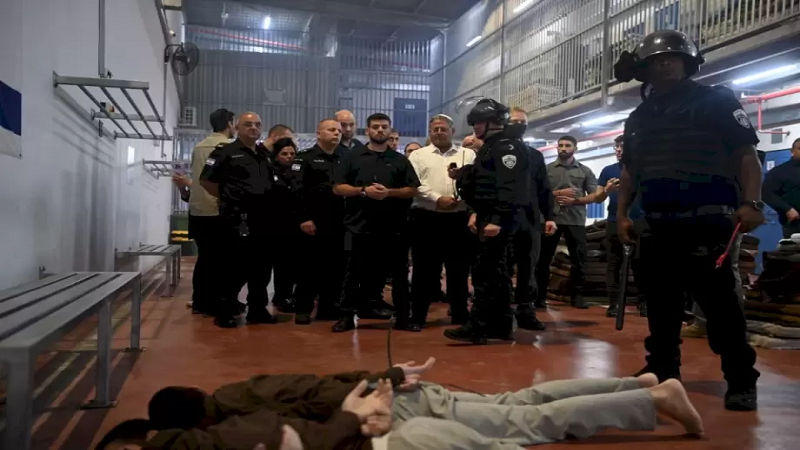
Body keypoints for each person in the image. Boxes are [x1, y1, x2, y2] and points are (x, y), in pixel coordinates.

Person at [613, 29, 764, 411]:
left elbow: (746, 155)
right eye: (656, 60)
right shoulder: (639, 117)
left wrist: (751, 202)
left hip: (707, 222)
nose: (665, 64)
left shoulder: (715, 101)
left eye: (673, 57)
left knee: (721, 310)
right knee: (661, 309)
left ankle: (740, 379)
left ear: (687, 63)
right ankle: (664, 373)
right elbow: (630, 171)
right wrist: (621, 214)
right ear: (645, 70)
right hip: (657, 225)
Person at [97, 358, 705, 450]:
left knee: (527, 421)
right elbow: (314, 384)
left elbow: (311, 400)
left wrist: (372, 397)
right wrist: (382, 378)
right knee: (517, 402)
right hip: (396, 398)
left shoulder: (238, 407)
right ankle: (638, 387)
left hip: (398, 411)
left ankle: (651, 399)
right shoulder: (239, 398)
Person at [444, 98, 531, 344]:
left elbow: (508, 187)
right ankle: (501, 324)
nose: (475, 127)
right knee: (496, 273)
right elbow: (486, 180)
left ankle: (479, 326)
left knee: (485, 274)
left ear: (493, 123)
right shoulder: (492, 147)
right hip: (488, 217)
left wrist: (496, 220)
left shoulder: (506, 147)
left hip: (498, 221)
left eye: (479, 123)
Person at [333, 113, 420, 333]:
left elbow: (412, 189)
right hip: (360, 226)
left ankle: (403, 318)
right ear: (368, 130)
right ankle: (346, 316)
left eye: (384, 126)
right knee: (353, 274)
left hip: (394, 228)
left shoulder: (400, 160)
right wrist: (364, 191)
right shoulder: (352, 157)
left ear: (390, 130)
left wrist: (389, 193)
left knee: (399, 275)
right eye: (375, 127)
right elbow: (338, 187)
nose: (380, 130)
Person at [199, 112, 278, 328]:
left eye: (257, 125)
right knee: (234, 268)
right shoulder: (225, 152)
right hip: (236, 219)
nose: (253, 128)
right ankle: (225, 311)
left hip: (264, 219)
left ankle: (257, 310)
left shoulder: (264, 154)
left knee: (261, 268)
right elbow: (206, 181)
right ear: (237, 127)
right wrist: (228, 197)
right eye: (248, 124)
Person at [408, 115, 475, 327]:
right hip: (427, 219)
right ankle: (418, 315)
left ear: (452, 131)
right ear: (430, 132)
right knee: (424, 270)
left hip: (459, 219)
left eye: (443, 128)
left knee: (459, 269)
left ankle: (460, 314)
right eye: (435, 129)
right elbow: (414, 183)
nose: (439, 132)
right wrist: (438, 199)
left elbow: (475, 181)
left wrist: (460, 199)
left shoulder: (468, 154)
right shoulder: (418, 155)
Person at [292, 119, 347, 324]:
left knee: (336, 267)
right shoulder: (305, 158)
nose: (337, 133)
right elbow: (296, 189)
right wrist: (303, 218)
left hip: (340, 220)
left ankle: (329, 307)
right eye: (331, 130)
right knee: (309, 267)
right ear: (318, 133)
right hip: (314, 220)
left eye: (339, 130)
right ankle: (303, 308)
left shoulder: (345, 157)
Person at [506, 106, 555, 329]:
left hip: (530, 220)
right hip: (503, 220)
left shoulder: (535, 156)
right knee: (502, 268)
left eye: (522, 122)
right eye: (514, 122)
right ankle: (501, 312)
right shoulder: (494, 152)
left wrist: (549, 216)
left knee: (528, 268)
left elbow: (544, 188)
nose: (518, 126)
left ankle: (526, 311)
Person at [186, 109, 235, 316]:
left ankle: (200, 302)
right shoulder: (228, 147)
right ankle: (216, 303)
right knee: (222, 261)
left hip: (197, 211)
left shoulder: (198, 147)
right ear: (230, 123)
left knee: (205, 257)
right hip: (218, 210)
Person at [595, 135, 647, 318]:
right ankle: (614, 303)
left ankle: (643, 302)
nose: (618, 150)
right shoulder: (608, 171)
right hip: (614, 221)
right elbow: (597, 198)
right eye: (616, 147)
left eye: (622, 146)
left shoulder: (644, 170)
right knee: (614, 263)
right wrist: (606, 190)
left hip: (640, 221)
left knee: (640, 263)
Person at [267, 138, 300, 313]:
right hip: (276, 225)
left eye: (292, 154)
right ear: (276, 155)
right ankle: (281, 297)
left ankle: (287, 295)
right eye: (284, 154)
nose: (289, 157)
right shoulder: (270, 172)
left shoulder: (297, 172)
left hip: (295, 224)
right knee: (281, 264)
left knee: (293, 264)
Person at [763, 137, 800, 238]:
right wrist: (787, 209)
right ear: (792, 151)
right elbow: (766, 193)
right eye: (799, 149)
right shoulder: (780, 171)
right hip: (795, 223)